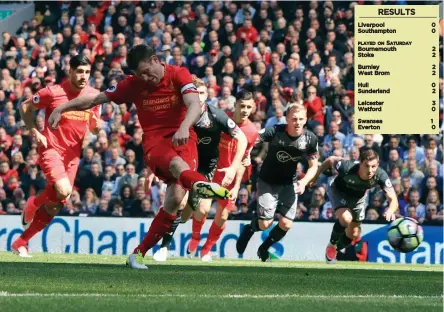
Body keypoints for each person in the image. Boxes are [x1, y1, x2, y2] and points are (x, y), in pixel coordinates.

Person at [47, 45, 230, 269]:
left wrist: (184, 126)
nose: (145, 77)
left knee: (174, 201)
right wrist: (61, 108)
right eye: (139, 74)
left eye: (146, 71)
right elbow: (95, 99)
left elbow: (193, 104)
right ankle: (199, 184)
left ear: (155, 60)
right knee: (176, 165)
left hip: (185, 137)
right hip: (156, 142)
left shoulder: (178, 74)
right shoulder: (133, 85)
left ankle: (138, 254)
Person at [12, 55, 101, 257]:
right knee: (63, 189)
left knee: (55, 204)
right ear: (70, 71)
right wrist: (35, 132)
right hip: (51, 149)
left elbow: (96, 128)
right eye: (79, 71)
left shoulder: (94, 96)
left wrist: (96, 127)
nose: (83, 76)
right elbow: (25, 106)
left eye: (87, 72)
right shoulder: (54, 92)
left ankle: (21, 242)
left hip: (73, 157)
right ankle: (34, 203)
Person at [152, 77, 248, 262]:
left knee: (194, 212)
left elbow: (242, 139)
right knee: (179, 203)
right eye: (195, 93)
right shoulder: (178, 115)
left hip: (206, 167)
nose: (199, 97)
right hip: (185, 163)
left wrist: (233, 168)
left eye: (202, 93)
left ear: (207, 95)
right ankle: (164, 247)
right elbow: (159, 140)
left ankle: (188, 231)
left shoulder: (216, 115)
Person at [236, 103, 319, 262]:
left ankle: (264, 248)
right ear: (287, 118)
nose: (297, 122)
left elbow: (314, 165)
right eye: (294, 118)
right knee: (265, 224)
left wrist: (304, 182)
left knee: (286, 224)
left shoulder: (310, 139)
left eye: (301, 119)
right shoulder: (275, 131)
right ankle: (249, 229)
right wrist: (246, 152)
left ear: (306, 119)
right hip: (268, 181)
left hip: (290, 183)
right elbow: (253, 138)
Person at [190, 90, 258, 262]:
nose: (245, 110)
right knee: (203, 208)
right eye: (242, 106)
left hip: (230, 178)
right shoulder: (221, 120)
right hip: (211, 171)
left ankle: (206, 250)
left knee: (222, 216)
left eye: (249, 107)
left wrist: (236, 187)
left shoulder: (251, 132)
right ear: (235, 105)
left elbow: (244, 161)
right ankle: (195, 237)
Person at [310, 147, 398, 264]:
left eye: (373, 166)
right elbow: (331, 160)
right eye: (366, 166)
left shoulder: (380, 175)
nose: (370, 170)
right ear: (360, 163)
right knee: (346, 218)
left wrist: (391, 210)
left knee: (353, 233)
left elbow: (393, 198)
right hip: (338, 191)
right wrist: (315, 176)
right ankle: (331, 245)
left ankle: (335, 250)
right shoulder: (347, 167)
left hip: (358, 199)